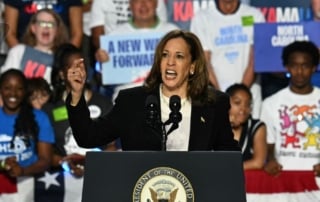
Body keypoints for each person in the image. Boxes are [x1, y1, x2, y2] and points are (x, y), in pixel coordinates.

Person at [65, 29, 239, 151]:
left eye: (179, 56)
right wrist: (76, 94)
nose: (170, 62)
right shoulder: (132, 101)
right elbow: (88, 137)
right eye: (165, 55)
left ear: (192, 66)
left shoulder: (214, 104)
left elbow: (228, 157)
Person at [45, 43, 116, 178]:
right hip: (65, 183)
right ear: (61, 74)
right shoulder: (50, 109)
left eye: (82, 66)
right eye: (73, 67)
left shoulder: (104, 103)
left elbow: (113, 147)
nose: (78, 71)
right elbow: (46, 154)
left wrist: (91, 162)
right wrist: (66, 163)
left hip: (100, 176)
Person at [190, 0, 265, 119]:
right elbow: (205, 62)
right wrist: (223, 99)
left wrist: (239, 99)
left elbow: (254, 62)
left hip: (249, 97)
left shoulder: (255, 16)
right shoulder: (202, 18)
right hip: (215, 98)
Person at [94, 0, 179, 101]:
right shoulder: (114, 37)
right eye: (137, 0)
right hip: (127, 100)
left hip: (167, 99)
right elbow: (101, 78)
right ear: (130, 4)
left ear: (157, 3)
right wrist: (101, 64)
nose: (143, 4)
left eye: (148, 0)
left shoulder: (174, 34)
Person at [260, 41, 320, 176]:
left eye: (305, 66)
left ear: (314, 68)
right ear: (286, 67)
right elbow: (268, 141)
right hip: (284, 182)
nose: (299, 71)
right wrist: (270, 160)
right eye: (294, 66)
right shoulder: (271, 103)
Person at [0, 69, 55, 202]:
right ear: (0, 90)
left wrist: (22, 171)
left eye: (19, 88)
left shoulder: (39, 118)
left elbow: (46, 160)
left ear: (25, 92)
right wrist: (3, 164)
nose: (13, 93)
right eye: (7, 88)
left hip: (25, 181)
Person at [1, 8, 69, 84]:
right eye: (41, 23)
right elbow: (6, 82)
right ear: (33, 28)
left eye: (51, 24)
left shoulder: (61, 60)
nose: (46, 27)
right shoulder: (18, 51)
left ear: (57, 31)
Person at [90, 0, 168, 50]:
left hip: (154, 50)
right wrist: (105, 53)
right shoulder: (100, 1)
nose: (143, 4)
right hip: (116, 53)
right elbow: (97, 36)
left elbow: (161, 29)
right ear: (130, 5)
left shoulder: (171, 29)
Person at [3, 0, 82, 48]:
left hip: (60, 50)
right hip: (25, 48)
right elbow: (9, 34)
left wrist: (64, 57)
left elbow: (77, 34)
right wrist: (23, 55)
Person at [226, 83, 267, 170]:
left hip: (248, 182)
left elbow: (258, 162)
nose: (243, 109)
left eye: (248, 104)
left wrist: (226, 169)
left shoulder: (257, 127)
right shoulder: (215, 125)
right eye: (237, 103)